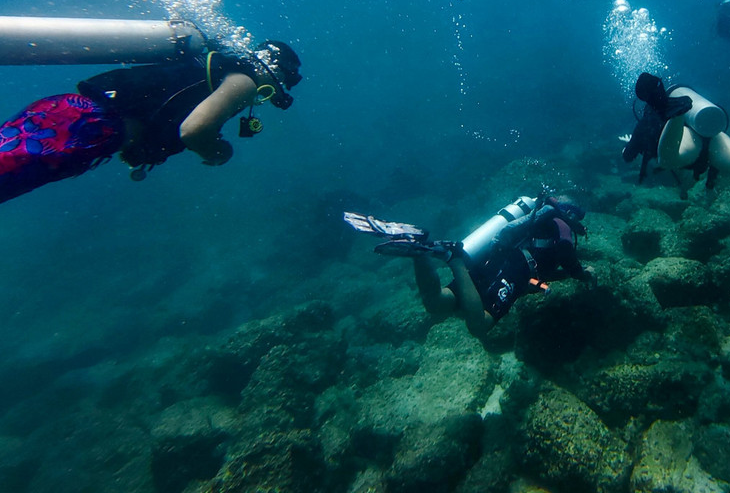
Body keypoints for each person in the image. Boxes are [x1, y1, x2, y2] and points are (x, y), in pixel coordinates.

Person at [0, 40, 301, 204]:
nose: (274, 95)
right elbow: (194, 130)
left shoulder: (213, 65)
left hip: (66, 111)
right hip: (87, 127)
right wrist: (217, 151)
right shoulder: (245, 82)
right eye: (281, 86)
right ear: (275, 72)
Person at [345, 195, 595, 337]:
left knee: (437, 302)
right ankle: (454, 260)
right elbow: (563, 251)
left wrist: (560, 277)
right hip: (517, 267)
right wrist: (581, 273)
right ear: (570, 214)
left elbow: (550, 270)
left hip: (493, 256)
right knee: (480, 324)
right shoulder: (560, 222)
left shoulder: (535, 217)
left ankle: (418, 252)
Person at [622, 54, 730, 191]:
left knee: (667, 161)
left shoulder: (647, 122)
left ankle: (677, 115)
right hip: (713, 137)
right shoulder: (651, 120)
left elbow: (628, 156)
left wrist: (630, 145)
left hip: (694, 140)